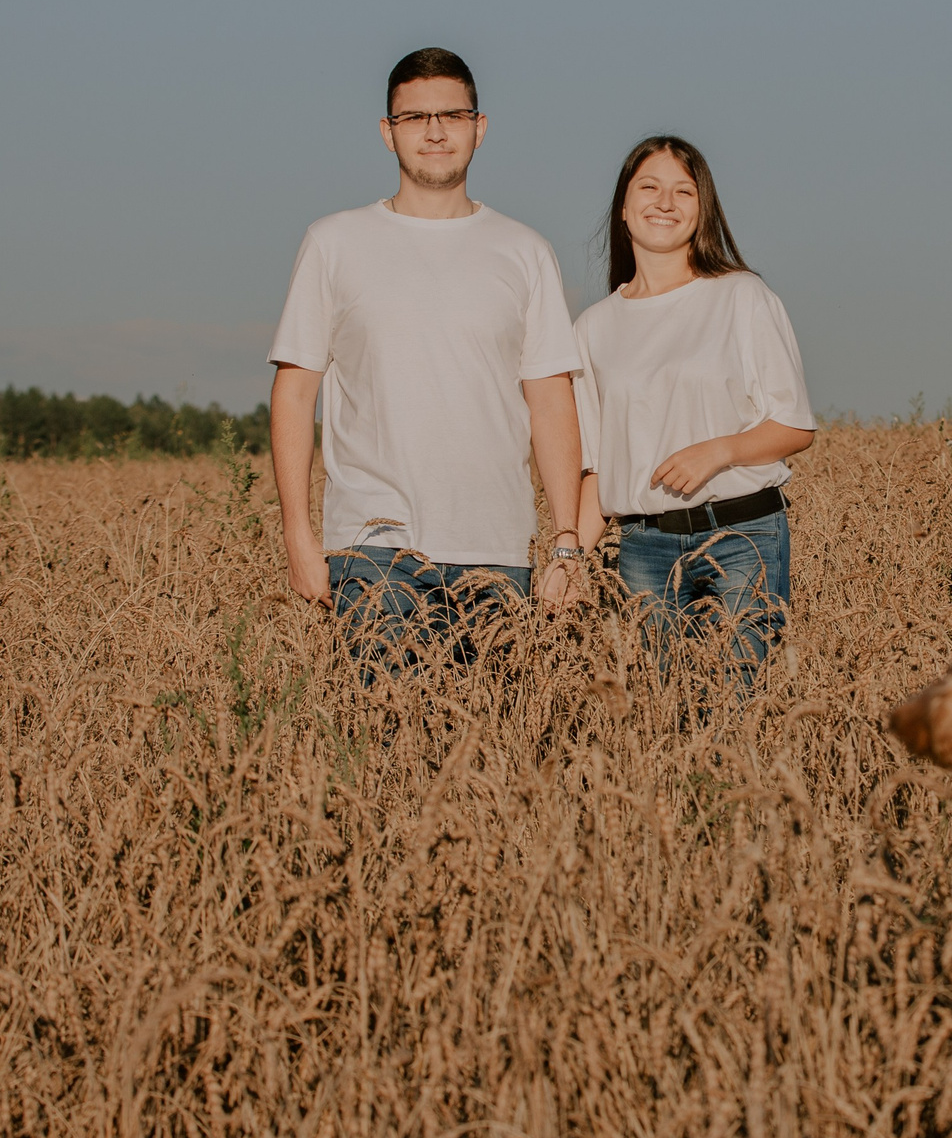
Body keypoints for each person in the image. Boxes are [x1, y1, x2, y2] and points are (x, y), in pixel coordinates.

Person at [266, 47, 586, 663]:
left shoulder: (525, 251)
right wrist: (298, 538)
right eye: (414, 118)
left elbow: (550, 402)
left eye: (452, 115)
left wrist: (567, 545)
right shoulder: (333, 243)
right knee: (386, 746)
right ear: (388, 134)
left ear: (479, 127)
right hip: (372, 551)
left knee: (491, 748)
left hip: (496, 550)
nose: (435, 131)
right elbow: (295, 391)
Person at [570, 135, 814, 673]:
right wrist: (569, 561)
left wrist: (720, 451)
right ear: (624, 208)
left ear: (702, 210)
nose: (665, 202)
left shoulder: (741, 295)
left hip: (742, 536)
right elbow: (594, 466)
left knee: (741, 709)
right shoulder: (592, 329)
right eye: (650, 188)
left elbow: (795, 425)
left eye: (684, 191)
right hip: (643, 548)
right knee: (662, 720)